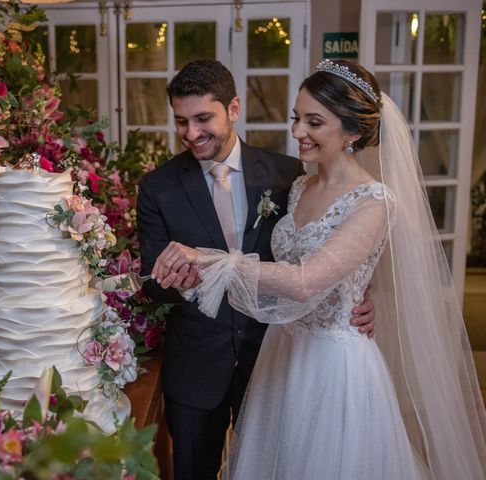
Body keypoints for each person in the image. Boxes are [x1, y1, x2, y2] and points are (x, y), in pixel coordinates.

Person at [152, 59, 486, 479]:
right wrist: (352, 287)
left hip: (332, 365)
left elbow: (310, 279)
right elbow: (299, 261)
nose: (297, 132)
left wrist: (211, 260)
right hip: (279, 354)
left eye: (314, 122)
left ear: (352, 131)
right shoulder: (298, 185)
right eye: (297, 119)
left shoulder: (371, 201)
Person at [137, 59, 377, 480]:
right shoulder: (158, 187)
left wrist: (358, 294)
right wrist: (181, 284)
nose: (192, 134)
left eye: (203, 118)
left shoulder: (289, 175)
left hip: (276, 359)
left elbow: (324, 251)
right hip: (197, 367)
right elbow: (154, 284)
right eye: (181, 122)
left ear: (233, 108)